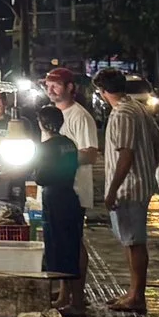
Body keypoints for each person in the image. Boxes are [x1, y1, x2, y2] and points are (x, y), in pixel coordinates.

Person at [94, 70, 159, 313]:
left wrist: (112, 189)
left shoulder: (122, 113)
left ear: (103, 91)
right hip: (138, 184)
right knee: (129, 240)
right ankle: (133, 291)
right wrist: (149, 167)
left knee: (134, 243)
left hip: (128, 189)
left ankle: (137, 296)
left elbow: (126, 154)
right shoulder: (137, 108)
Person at [36, 104, 86, 312]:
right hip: (69, 196)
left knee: (59, 248)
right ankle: (69, 297)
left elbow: (41, 177)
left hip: (54, 199)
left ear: (42, 124)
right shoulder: (69, 144)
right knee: (71, 246)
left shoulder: (46, 147)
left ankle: (75, 303)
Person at [46, 65, 103, 216]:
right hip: (52, 191)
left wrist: (56, 159)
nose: (50, 90)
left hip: (74, 192)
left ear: (70, 87)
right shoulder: (50, 115)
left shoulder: (80, 117)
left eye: (56, 86)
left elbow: (90, 155)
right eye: (48, 86)